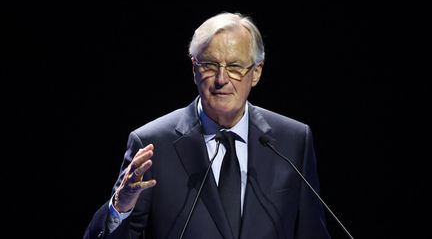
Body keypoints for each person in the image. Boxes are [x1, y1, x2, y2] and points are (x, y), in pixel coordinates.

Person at [83, 12, 331, 239]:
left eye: (235, 67)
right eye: (210, 65)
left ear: (256, 72)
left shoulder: (293, 141)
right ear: (194, 68)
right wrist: (120, 206)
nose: (222, 79)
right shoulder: (152, 145)